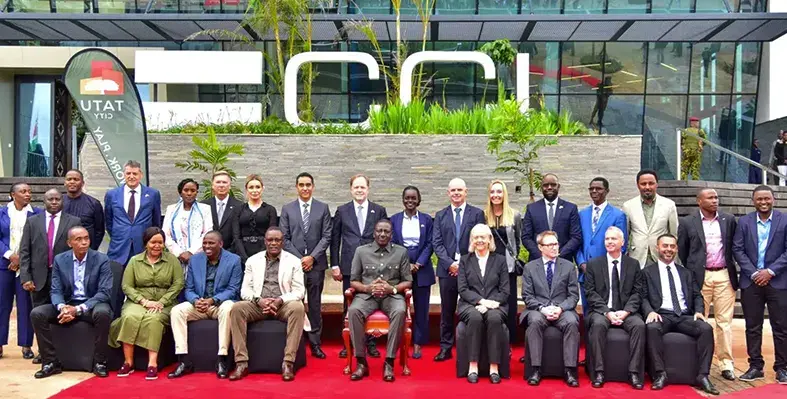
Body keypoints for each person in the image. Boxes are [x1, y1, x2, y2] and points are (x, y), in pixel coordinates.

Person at [29, 226, 113, 378]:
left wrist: (78, 309)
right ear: (69, 243)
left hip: (91, 304)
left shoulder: (101, 259)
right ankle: (50, 362)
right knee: (37, 313)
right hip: (67, 303)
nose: (84, 243)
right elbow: (55, 290)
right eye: (78, 239)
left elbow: (104, 292)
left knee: (103, 313)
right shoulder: (60, 260)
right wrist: (62, 308)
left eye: (86, 238)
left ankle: (100, 361)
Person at [640, 234, 718, 395]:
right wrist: (650, 311)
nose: (668, 249)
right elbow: (642, 296)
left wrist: (698, 311)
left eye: (672, 246)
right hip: (662, 314)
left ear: (676, 249)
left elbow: (697, 295)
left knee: (706, 329)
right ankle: (659, 374)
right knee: (652, 328)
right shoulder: (647, 272)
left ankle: (702, 376)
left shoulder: (686, 273)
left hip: (684, 315)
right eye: (665, 246)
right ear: (657, 248)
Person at [228, 227, 306, 382]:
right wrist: (259, 300)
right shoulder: (253, 260)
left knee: (298, 307)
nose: (273, 243)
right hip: (259, 304)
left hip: (282, 304)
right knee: (236, 308)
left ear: (283, 242)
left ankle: (288, 363)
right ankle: (241, 363)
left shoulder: (294, 261)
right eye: (270, 240)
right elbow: (245, 289)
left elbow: (299, 291)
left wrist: (280, 300)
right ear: (265, 241)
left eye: (277, 240)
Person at [109, 227, 185, 380]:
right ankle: (128, 362)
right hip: (138, 301)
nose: (157, 246)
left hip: (164, 302)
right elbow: (127, 286)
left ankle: (152, 364)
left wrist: (162, 302)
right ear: (145, 243)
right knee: (129, 317)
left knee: (154, 319)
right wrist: (143, 301)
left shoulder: (172, 260)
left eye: (160, 242)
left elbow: (178, 283)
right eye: (153, 242)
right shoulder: (134, 261)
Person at [677, 188, 738, 381]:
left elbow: (733, 248)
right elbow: (683, 251)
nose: (715, 201)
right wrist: (691, 274)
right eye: (710, 198)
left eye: (716, 197)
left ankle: (726, 364)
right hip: (698, 278)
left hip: (723, 275)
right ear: (699, 201)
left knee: (724, 322)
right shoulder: (687, 222)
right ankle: (698, 364)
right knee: (698, 321)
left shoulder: (728, 220)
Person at [168, 231, 242, 379]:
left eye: (211, 243)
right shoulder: (195, 260)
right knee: (177, 311)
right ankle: (183, 360)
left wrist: (212, 300)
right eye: (205, 243)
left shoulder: (234, 260)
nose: (207, 246)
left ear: (220, 244)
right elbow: (188, 288)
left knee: (229, 308)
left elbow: (234, 289)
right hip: (199, 304)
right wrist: (196, 300)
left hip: (218, 304)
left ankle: (222, 359)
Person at [20, 188, 82, 365]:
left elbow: (78, 249)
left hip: (63, 277)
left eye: (57, 199)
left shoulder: (74, 221)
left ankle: (62, 351)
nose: (54, 202)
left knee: (61, 313)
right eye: (50, 199)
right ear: (44, 201)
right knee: (39, 315)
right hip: (38, 278)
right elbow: (25, 251)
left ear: (62, 201)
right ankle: (43, 351)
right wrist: (26, 277)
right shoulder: (32, 222)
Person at [732, 185, 787, 384]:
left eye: (767, 199)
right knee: (752, 327)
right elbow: (737, 250)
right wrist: (755, 273)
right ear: (753, 201)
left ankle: (782, 368)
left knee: (781, 327)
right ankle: (755, 366)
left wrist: (770, 271)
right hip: (751, 282)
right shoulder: (744, 222)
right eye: (759, 199)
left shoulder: (785, 220)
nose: (763, 202)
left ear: (774, 199)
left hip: (778, 281)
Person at [347, 219, 412, 382]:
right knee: (354, 310)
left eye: (386, 232)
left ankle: (389, 362)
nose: (382, 234)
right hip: (367, 296)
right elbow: (353, 280)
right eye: (379, 231)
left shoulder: (401, 252)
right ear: (374, 232)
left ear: (391, 234)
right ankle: (361, 363)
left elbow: (408, 281)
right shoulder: (361, 251)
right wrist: (368, 288)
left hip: (391, 295)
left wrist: (392, 289)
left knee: (400, 310)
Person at [331, 174, 388, 359]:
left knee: (371, 302)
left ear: (368, 189)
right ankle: (349, 343)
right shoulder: (342, 210)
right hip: (349, 265)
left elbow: (386, 238)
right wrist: (335, 265)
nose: (359, 190)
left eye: (362, 187)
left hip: (373, 266)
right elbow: (335, 239)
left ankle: (371, 343)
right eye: (356, 187)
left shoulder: (378, 210)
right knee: (348, 304)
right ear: (351, 189)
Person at [279, 172, 332, 359]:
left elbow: (327, 236)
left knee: (315, 305)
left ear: (313, 186)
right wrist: (300, 259)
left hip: (316, 265)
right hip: (294, 266)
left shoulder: (323, 208)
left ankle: (316, 343)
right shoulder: (287, 209)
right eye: (301, 185)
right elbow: (284, 238)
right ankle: (297, 341)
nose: (305, 188)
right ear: (296, 187)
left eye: (308, 184)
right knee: (296, 304)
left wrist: (312, 257)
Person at [432, 178, 486, 362]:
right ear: (448, 193)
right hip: (446, 271)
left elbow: (479, 241)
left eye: (459, 190)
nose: (456, 193)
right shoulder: (440, 215)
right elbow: (437, 243)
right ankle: (445, 348)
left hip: (470, 270)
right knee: (447, 311)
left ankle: (471, 348)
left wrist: (461, 265)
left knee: (472, 309)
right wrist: (450, 264)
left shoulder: (477, 214)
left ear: (466, 192)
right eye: (453, 190)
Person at [584, 226, 645, 390]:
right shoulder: (594, 264)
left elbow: (638, 292)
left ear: (622, 242)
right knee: (597, 325)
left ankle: (634, 372)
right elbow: (590, 293)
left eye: (613, 239)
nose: (609, 242)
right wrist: (608, 312)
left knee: (639, 326)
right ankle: (598, 371)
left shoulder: (633, 264)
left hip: (626, 311)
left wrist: (626, 312)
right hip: (602, 311)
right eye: (607, 239)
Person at [521, 230, 580, 387]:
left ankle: (569, 370)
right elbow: (527, 296)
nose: (555, 247)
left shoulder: (568, 266)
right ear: (540, 247)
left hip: (562, 310)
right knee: (533, 321)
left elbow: (573, 296)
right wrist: (542, 308)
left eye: (556, 244)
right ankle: (535, 369)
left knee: (572, 322)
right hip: (539, 309)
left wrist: (560, 308)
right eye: (550, 244)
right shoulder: (530, 267)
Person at [457, 224, 509, 384]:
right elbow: (463, 289)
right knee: (474, 317)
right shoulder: (465, 260)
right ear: (472, 240)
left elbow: (505, 290)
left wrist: (489, 304)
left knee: (494, 319)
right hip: (469, 304)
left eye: (483, 237)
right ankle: (473, 366)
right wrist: (481, 301)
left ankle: (494, 367)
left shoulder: (500, 260)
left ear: (489, 239)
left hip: (496, 304)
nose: (479, 240)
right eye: (476, 237)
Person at [390, 185, 433, 360]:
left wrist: (419, 263)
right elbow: (392, 242)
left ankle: (417, 343)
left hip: (422, 268)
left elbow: (431, 243)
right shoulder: (394, 220)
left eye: (413, 198)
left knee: (421, 308)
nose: (410, 201)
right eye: (407, 198)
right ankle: (401, 341)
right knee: (399, 307)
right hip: (400, 268)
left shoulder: (427, 220)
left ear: (418, 200)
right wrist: (405, 265)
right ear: (402, 200)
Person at [0, 182, 41, 360]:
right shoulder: (1, 213)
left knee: (26, 306)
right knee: (2, 305)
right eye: (23, 191)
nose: (27, 194)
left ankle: (26, 345)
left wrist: (22, 260)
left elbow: (38, 241)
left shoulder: (37, 213)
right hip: (4, 265)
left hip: (26, 267)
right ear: (12, 194)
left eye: (29, 191)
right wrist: (10, 256)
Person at [576, 177, 627, 316]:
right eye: (591, 188)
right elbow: (577, 242)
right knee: (588, 314)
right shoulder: (582, 214)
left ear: (607, 191)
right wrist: (581, 263)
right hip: (585, 272)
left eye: (598, 188)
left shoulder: (618, 215)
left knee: (606, 313)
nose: (594, 191)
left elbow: (621, 246)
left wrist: (605, 265)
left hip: (607, 272)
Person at [483, 180, 522, 352]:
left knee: (509, 304)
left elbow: (518, 241)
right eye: (492, 192)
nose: (495, 195)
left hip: (508, 267)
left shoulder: (514, 215)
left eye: (499, 192)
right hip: (489, 266)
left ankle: (508, 341)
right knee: (492, 301)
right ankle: (492, 339)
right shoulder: (483, 215)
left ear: (504, 194)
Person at [104, 160, 162, 266]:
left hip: (142, 247)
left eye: (134, 173)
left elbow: (156, 222)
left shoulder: (153, 194)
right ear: (124, 175)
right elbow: (108, 221)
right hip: (119, 248)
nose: (131, 176)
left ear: (141, 175)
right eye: (128, 173)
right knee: (117, 280)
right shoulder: (112, 195)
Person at [622, 170, 679, 268]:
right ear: (638, 185)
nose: (647, 187)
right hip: (636, 258)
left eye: (651, 183)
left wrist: (674, 259)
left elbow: (674, 234)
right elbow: (625, 234)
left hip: (661, 257)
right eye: (643, 184)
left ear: (656, 184)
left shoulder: (669, 205)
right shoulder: (628, 206)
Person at [521, 173, 582, 263]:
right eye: (546, 185)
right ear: (541, 187)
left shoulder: (570, 208)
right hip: (538, 261)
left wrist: (558, 253)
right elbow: (526, 237)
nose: (549, 187)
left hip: (563, 261)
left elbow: (576, 237)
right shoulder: (532, 208)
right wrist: (542, 254)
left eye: (553, 185)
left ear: (558, 186)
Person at [163, 178, 213, 270]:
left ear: (196, 192)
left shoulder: (205, 209)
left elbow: (207, 233)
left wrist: (191, 252)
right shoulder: (171, 209)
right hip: (176, 257)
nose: (189, 193)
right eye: (186, 190)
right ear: (180, 192)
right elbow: (165, 234)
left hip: (198, 255)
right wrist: (179, 253)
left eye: (193, 190)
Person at [232, 174, 278, 266]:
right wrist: (244, 258)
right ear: (246, 189)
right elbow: (236, 236)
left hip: (264, 253)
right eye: (251, 187)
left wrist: (260, 257)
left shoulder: (270, 210)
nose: (254, 190)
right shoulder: (238, 210)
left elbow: (271, 235)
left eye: (257, 187)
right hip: (242, 253)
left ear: (262, 188)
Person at [62, 169, 105, 250]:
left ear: (82, 183)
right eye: (69, 179)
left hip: (86, 250)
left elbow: (99, 231)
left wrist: (92, 249)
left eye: (76, 179)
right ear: (65, 182)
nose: (72, 182)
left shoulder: (94, 204)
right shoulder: (58, 203)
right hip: (62, 250)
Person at [202, 171, 242, 251]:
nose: (221, 185)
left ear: (230, 186)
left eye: (224, 182)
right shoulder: (204, 205)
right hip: (207, 252)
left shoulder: (239, 206)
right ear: (212, 185)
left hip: (231, 253)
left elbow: (239, 233)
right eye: (218, 182)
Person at [681, 117, 707, 181]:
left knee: (685, 167)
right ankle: (695, 182)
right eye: (697, 123)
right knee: (695, 168)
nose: (698, 124)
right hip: (696, 152)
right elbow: (705, 140)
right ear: (694, 123)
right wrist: (701, 145)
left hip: (687, 152)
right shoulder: (700, 131)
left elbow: (681, 140)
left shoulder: (686, 130)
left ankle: (683, 181)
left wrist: (683, 148)